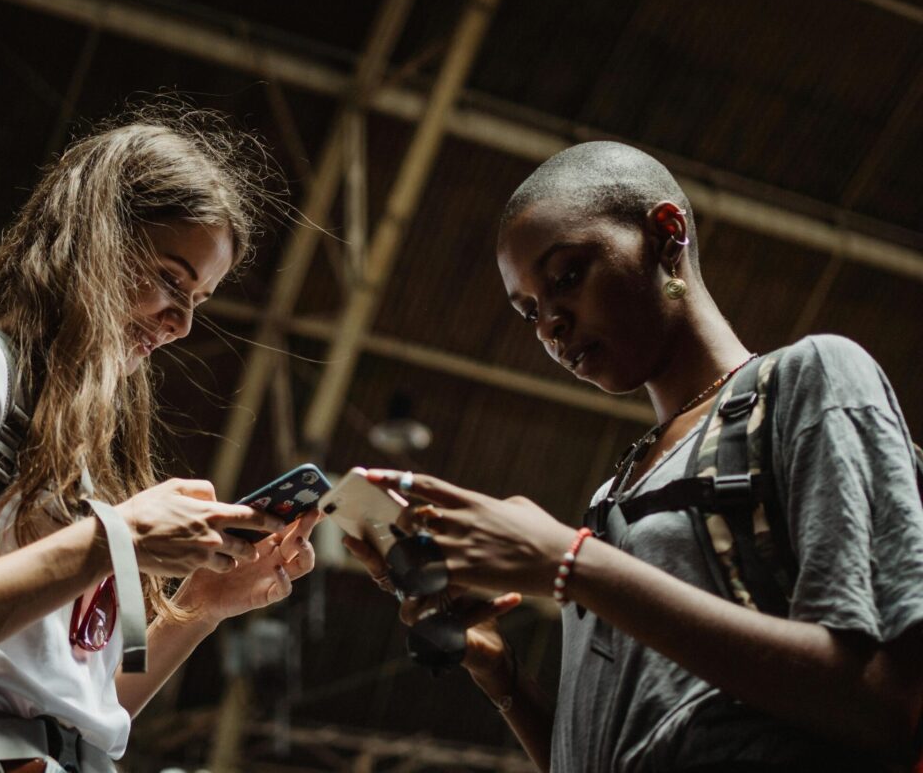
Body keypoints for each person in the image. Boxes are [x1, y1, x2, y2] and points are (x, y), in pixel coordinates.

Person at [345, 141, 923, 772]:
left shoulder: (807, 381)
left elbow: (883, 703)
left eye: (567, 276)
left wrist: (570, 564)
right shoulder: (613, 494)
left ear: (667, 234)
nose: (550, 326)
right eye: (529, 311)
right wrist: (506, 678)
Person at [0, 109, 319, 770]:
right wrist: (112, 542)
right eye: (169, 279)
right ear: (95, 238)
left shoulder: (87, 462)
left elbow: (84, 712)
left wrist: (200, 607)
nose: (181, 323)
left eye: (200, 300)